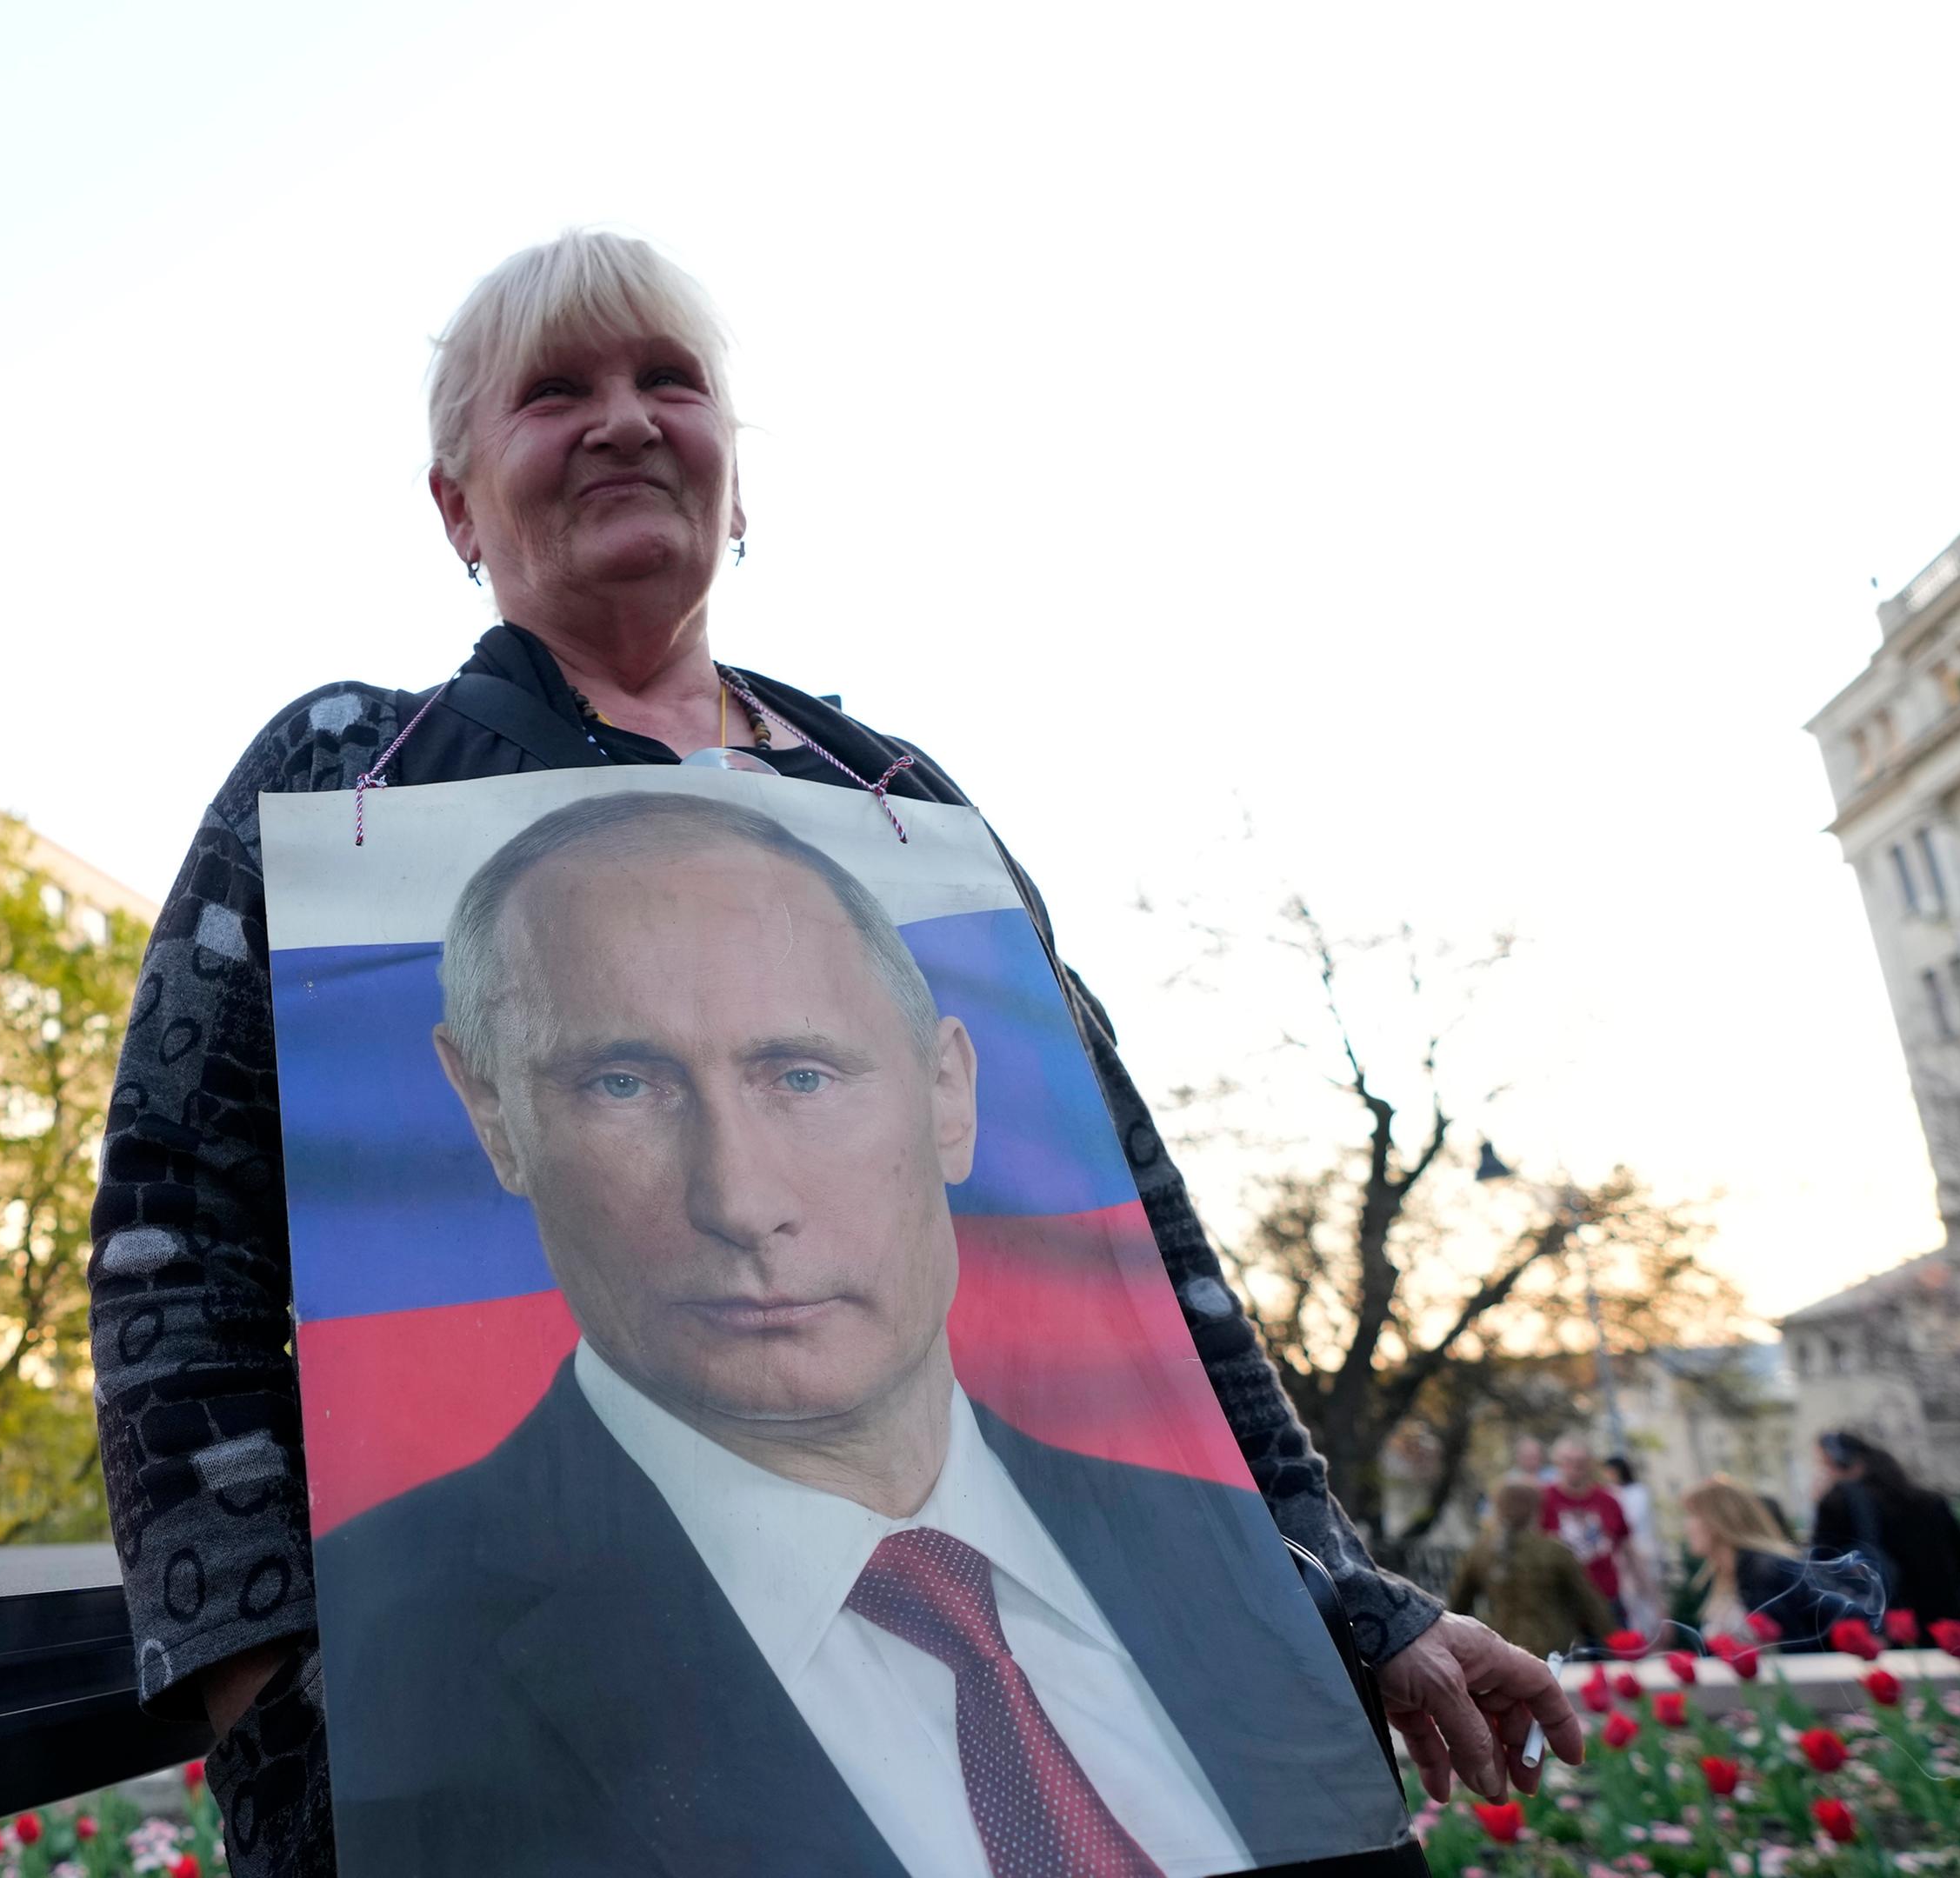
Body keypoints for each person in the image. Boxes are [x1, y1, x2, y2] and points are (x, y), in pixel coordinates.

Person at [83, 230, 1579, 1878]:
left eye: (671, 381)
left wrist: (1348, 1603)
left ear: (738, 478)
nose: (624, 421)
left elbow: (1139, 1251)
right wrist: (281, 1702)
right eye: (553, 392)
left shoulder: (903, 812)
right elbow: (176, 1242)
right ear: (457, 506)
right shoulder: (352, 777)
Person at [317, 792, 1414, 1875]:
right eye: (623, 1083)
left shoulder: (1212, 1545)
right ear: (494, 1117)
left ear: (949, 1093)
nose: (741, 1201)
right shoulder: (398, 1649)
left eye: (801, 1074)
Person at [1806, 1431, 1960, 1626]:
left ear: (1848, 1465)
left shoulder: (1838, 1504)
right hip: (1948, 1626)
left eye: (1824, 1464)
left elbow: (1819, 1573)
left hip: (1886, 1630)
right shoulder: (1931, 1502)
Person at [1444, 1478, 1616, 1659]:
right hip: (1556, 1651)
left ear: (1497, 1509)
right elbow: (1591, 1604)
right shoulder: (1554, 1551)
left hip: (1504, 1651)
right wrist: (1617, 1644)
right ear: (1537, 1509)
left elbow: (1457, 1607)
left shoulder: (1480, 1552)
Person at [1683, 1480, 1837, 1652]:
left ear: (1718, 1521)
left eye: (1692, 1515)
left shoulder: (1765, 1570)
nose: (1687, 1526)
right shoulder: (1725, 1575)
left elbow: (1794, 1643)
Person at [1538, 1438, 1630, 1608]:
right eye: (1568, 1462)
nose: (1574, 1468)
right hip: (1563, 1600)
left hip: (1606, 1596)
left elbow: (1628, 1548)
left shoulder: (1608, 1501)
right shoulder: (1542, 1500)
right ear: (1557, 1464)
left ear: (1590, 1464)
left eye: (1581, 1462)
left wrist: (1650, 1596)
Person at [1603, 1455, 1666, 1638]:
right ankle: (1636, 1636)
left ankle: (1653, 1634)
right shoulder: (1611, 1493)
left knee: (1647, 1595)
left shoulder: (1638, 1492)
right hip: (1622, 1552)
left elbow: (1632, 1520)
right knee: (1629, 1598)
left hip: (1641, 1549)